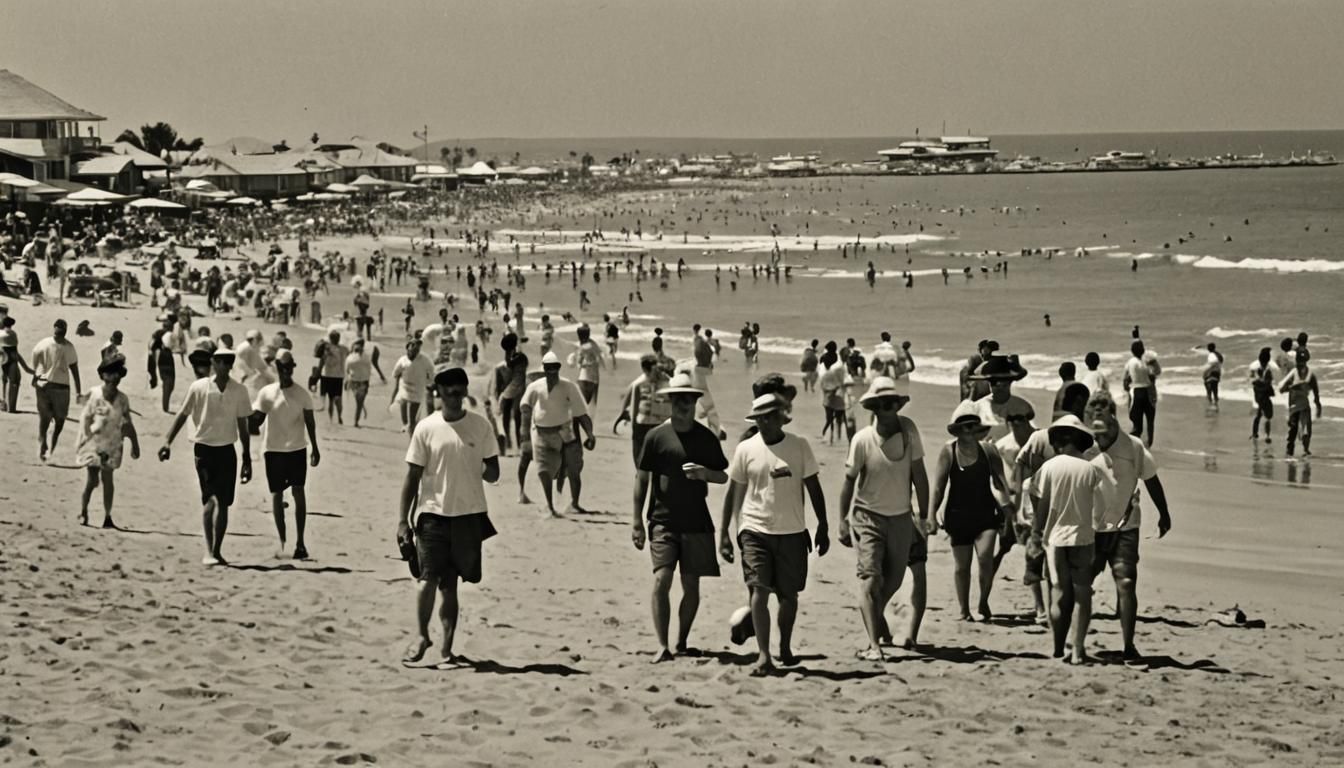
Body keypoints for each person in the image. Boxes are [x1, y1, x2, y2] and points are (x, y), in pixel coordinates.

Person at [396, 365, 501, 665]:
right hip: (432, 515)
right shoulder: (426, 428)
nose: (455, 398)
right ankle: (421, 636)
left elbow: (494, 473)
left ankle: (446, 648)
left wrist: (477, 463)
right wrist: (403, 520)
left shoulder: (480, 427)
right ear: (438, 393)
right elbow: (411, 477)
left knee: (450, 585)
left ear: (465, 391)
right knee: (427, 579)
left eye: (459, 391)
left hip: (468, 517)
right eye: (449, 392)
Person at [721, 392, 829, 676]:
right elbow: (734, 492)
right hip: (755, 529)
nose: (766, 421)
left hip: (792, 531)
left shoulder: (799, 446)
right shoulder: (746, 449)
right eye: (761, 417)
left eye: (771, 416)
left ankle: (785, 646)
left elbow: (814, 488)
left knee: (789, 596)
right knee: (759, 589)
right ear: (755, 420)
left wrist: (824, 525)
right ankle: (764, 655)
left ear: (782, 417)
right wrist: (724, 533)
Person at [631, 372, 729, 662]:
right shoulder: (656, 436)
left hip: (696, 521)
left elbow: (723, 475)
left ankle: (682, 641)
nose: (683, 405)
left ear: (695, 402)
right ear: (670, 401)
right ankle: (662, 645)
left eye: (688, 400)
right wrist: (636, 521)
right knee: (662, 579)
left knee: (692, 586)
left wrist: (704, 474)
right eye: (678, 400)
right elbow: (641, 480)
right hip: (662, 520)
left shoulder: (706, 438)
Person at [836, 377, 930, 659]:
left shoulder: (909, 430)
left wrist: (924, 517)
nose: (889, 408)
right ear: (874, 408)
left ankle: (872, 616)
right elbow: (848, 482)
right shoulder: (863, 439)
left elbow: (920, 477)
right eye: (883, 404)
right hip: (867, 517)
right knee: (870, 578)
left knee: (894, 580)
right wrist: (842, 520)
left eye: (893, 403)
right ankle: (874, 645)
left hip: (901, 517)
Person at [1085, 390, 1172, 661]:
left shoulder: (1133, 446)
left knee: (1126, 581)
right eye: (1093, 417)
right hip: (1091, 528)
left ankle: (1128, 645)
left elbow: (1151, 478)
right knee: (1083, 583)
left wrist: (1164, 513)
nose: (1099, 426)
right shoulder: (1084, 447)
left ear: (1113, 415)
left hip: (1125, 526)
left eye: (1104, 416)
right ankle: (1075, 641)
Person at [158, 347, 254, 566]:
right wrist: (167, 442)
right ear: (213, 362)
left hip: (227, 450)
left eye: (229, 362)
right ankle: (209, 551)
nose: (226, 366)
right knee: (210, 499)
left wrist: (247, 457)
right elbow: (183, 415)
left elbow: (243, 425)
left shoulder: (239, 391)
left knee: (224, 502)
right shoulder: (199, 387)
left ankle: (217, 550)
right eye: (221, 361)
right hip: (204, 449)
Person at [1029, 414, 1112, 665]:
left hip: (1055, 540)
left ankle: (1057, 646)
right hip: (1084, 538)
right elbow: (1101, 507)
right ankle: (1077, 649)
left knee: (1058, 592)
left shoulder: (1050, 467)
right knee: (1082, 595)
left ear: (1059, 441)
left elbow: (1041, 504)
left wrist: (1036, 532)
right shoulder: (1091, 469)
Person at [930, 401, 1014, 623]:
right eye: (965, 427)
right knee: (962, 567)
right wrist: (930, 515)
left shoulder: (988, 450)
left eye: (973, 426)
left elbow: (1001, 483)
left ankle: (983, 600)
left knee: (985, 558)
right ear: (958, 429)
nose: (969, 431)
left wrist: (1010, 512)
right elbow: (938, 487)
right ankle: (964, 609)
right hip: (957, 515)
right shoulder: (948, 451)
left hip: (986, 513)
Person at [250, 349, 321, 559]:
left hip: (297, 449)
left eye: (289, 368)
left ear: (292, 369)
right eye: (282, 368)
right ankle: (282, 541)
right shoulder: (267, 393)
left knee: (299, 492)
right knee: (277, 494)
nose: (286, 372)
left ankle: (300, 542)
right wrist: (244, 417)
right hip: (273, 450)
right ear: (277, 368)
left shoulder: (302, 394)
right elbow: (257, 420)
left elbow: (310, 423)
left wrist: (315, 448)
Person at [520, 351, 596, 516]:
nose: (552, 371)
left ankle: (574, 503)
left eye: (555, 367)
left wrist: (590, 435)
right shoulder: (535, 387)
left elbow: (582, 413)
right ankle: (550, 506)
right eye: (549, 368)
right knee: (543, 470)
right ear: (544, 368)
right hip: (541, 433)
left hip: (565, 432)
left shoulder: (569, 386)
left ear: (559, 368)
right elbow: (525, 407)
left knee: (574, 469)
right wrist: (524, 434)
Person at [74, 354, 140, 529]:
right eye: (109, 374)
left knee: (108, 479)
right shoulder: (95, 394)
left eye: (117, 374)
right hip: (94, 443)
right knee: (92, 480)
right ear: (103, 375)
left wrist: (135, 444)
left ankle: (107, 517)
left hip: (112, 444)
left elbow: (127, 422)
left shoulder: (123, 399)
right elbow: (86, 418)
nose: (113, 379)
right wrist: (83, 440)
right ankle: (83, 511)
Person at [31, 318, 83, 461]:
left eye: (62, 328)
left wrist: (79, 391)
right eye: (59, 328)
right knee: (51, 419)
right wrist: (36, 373)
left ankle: (47, 441)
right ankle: (46, 443)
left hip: (53, 387)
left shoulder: (62, 346)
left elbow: (74, 369)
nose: (60, 331)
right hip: (52, 387)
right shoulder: (55, 345)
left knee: (52, 419)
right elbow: (74, 370)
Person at [614, 353, 671, 465]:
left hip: (643, 425)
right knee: (657, 464)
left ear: (644, 368)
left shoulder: (638, 383)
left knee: (640, 462)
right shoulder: (667, 381)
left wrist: (629, 422)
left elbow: (633, 409)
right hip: (659, 425)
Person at [967, 355, 1035, 442]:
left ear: (1010, 382)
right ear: (989, 384)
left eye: (1004, 383)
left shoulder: (1023, 407)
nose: (999, 387)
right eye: (994, 383)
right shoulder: (977, 408)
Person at [1279, 350, 1321, 457]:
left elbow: (1316, 391)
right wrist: (1290, 387)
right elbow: (1281, 388)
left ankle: (1305, 450)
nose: (1299, 363)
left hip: (1303, 405)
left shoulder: (1310, 375)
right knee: (1293, 429)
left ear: (1306, 361)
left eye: (1301, 361)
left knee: (1306, 430)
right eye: (1298, 361)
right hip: (1293, 405)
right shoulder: (1294, 372)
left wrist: (1318, 405)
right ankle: (1290, 451)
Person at [390, 337, 434, 435]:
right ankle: (405, 423)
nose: (414, 350)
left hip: (418, 388)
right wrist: (398, 378)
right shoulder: (402, 360)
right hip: (405, 387)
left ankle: (412, 430)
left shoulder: (424, 359)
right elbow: (395, 373)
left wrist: (427, 383)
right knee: (403, 402)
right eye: (412, 347)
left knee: (413, 416)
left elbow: (431, 373)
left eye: (417, 348)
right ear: (407, 348)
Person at [1122, 340, 1160, 447]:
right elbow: (1157, 372)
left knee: (1136, 422)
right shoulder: (1148, 361)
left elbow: (1125, 380)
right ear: (1143, 350)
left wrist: (1127, 389)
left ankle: (1136, 444)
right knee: (1150, 421)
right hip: (1149, 392)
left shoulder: (1129, 362)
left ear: (1132, 351)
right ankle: (1149, 443)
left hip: (1136, 392)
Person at [344, 337, 384, 428]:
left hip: (360, 382)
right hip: (358, 381)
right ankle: (358, 417)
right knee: (359, 402)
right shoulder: (362, 356)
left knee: (359, 402)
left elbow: (347, 370)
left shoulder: (352, 357)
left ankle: (356, 420)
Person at [1, 315, 34, 413]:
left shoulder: (1, 334)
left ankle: (4, 404)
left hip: (3, 358)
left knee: (4, 381)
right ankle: (11, 407)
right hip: (11, 359)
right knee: (14, 381)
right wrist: (27, 368)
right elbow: (15, 352)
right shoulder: (13, 334)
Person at [315, 328, 349, 424]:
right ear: (339, 338)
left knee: (329, 400)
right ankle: (339, 417)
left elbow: (321, 361)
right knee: (338, 398)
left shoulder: (326, 348)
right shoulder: (344, 349)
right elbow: (350, 357)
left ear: (330, 338)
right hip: (339, 376)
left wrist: (317, 373)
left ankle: (330, 419)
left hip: (326, 375)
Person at [1248, 347, 1277, 443]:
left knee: (1260, 414)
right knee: (1267, 415)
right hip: (1261, 393)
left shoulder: (1256, 366)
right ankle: (1266, 435)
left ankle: (1255, 434)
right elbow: (1255, 381)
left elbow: (1252, 380)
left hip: (1260, 393)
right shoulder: (1264, 368)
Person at [574, 323, 605, 406]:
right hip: (594, 379)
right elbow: (600, 359)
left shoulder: (582, 347)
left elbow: (578, 364)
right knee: (591, 406)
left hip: (584, 378)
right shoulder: (593, 344)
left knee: (581, 405)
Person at [1202, 343, 1224, 409]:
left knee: (1208, 387)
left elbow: (1213, 362)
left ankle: (1210, 403)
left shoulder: (1211, 355)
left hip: (1211, 372)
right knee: (1215, 388)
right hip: (1217, 372)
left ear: (1208, 348)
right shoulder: (1218, 354)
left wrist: (1205, 372)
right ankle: (1216, 402)